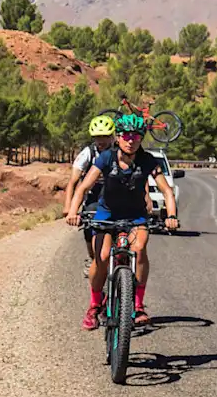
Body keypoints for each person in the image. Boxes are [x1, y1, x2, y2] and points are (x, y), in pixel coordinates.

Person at [65, 113, 179, 330]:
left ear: (141, 138)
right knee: (103, 257)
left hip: (135, 215)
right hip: (107, 214)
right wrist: (73, 211)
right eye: (126, 135)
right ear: (117, 137)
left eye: (136, 136)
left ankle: (137, 304)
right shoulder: (106, 158)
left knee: (139, 248)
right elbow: (83, 187)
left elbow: (166, 190)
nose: (130, 140)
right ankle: (94, 305)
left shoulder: (147, 160)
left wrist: (171, 216)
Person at [71, 114, 117, 264]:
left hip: (116, 194)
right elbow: (74, 182)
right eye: (97, 137)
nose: (101, 141)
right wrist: (70, 209)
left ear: (112, 136)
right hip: (94, 195)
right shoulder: (88, 153)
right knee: (89, 229)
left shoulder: (121, 151)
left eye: (105, 136)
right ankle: (92, 258)